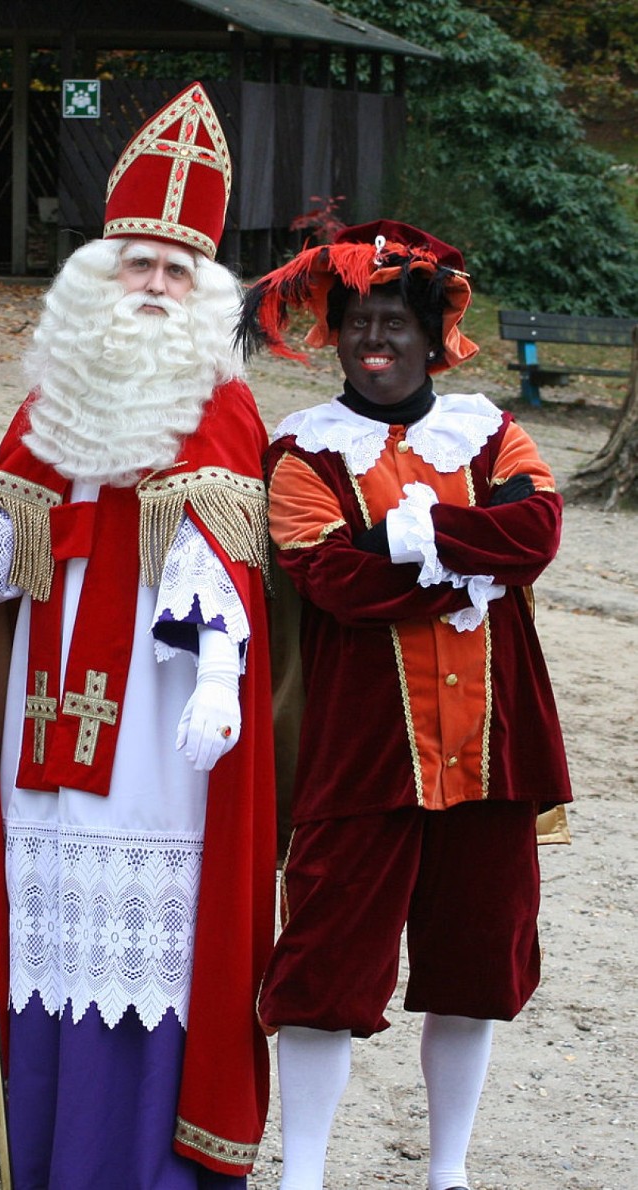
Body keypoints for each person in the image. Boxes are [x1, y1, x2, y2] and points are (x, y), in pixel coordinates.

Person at [0, 83, 276, 1189]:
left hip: (157, 731)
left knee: (142, 951)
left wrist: (220, 672)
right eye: (138, 263)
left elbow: (222, 560)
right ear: (102, 271)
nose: (156, 286)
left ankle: (135, 1164)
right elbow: (19, 562)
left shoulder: (218, 398)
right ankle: (43, 1155)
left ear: (205, 288)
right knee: (48, 931)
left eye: (178, 270)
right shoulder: (53, 395)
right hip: (47, 717)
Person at [236, 220, 572, 1190]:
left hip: (491, 743)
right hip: (362, 748)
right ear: (335, 335)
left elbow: (538, 527)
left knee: (474, 963)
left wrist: (420, 535)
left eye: (393, 321)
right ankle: (303, 1171)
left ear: (433, 337)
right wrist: (460, 558)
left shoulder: (489, 428)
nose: (374, 339)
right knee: (323, 967)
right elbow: (330, 573)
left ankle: (449, 1168)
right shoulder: (301, 449)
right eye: (357, 322)